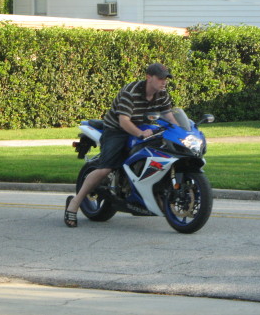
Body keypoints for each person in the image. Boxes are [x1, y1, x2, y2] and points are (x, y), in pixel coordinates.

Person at [64, 63, 178, 227]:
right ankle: (75, 203)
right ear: (148, 77)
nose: (164, 82)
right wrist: (140, 133)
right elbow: (124, 121)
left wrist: (182, 131)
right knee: (106, 167)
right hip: (117, 130)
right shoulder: (130, 93)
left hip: (144, 127)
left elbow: (169, 116)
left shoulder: (162, 94)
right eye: (160, 78)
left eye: (166, 78)